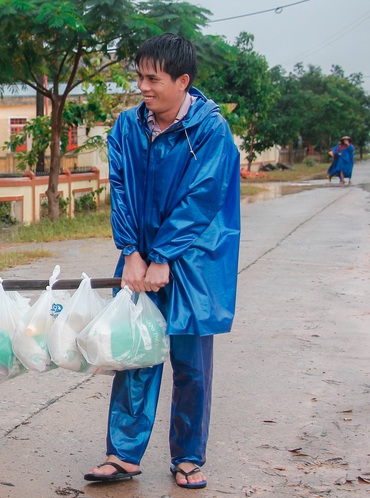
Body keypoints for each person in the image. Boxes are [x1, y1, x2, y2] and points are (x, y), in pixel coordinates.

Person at [84, 34, 241, 489]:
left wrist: (166, 256)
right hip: (141, 256)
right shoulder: (128, 127)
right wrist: (132, 252)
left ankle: (189, 456)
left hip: (195, 260)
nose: (143, 87)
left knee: (190, 362)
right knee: (135, 353)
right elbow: (123, 193)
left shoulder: (211, 131)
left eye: (152, 78)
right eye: (139, 76)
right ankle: (123, 454)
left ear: (182, 81)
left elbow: (203, 198)